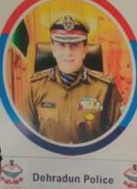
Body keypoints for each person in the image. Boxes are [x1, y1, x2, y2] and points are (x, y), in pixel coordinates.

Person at [24, 15, 122, 145]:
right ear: (53, 49)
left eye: (74, 45)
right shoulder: (35, 87)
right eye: (61, 45)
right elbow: (26, 137)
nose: (68, 52)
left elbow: (117, 138)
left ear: (84, 50)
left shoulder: (104, 88)